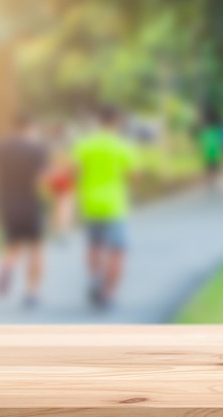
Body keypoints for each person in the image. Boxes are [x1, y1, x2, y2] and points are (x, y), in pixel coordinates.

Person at [73, 107, 138, 310]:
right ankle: (109, 294)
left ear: (98, 121)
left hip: (90, 203)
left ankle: (95, 278)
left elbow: (75, 172)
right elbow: (134, 175)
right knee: (117, 251)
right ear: (117, 122)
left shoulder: (84, 144)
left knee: (94, 246)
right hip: (114, 204)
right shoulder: (122, 146)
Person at [0, 115, 49, 309]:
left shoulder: (0, 147)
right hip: (30, 202)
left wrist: (1, 183)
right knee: (36, 247)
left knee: (13, 242)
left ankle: (6, 268)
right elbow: (43, 179)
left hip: (6, 202)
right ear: (30, 127)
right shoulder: (36, 148)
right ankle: (32, 293)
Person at [45, 126, 76, 243]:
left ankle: (55, 228)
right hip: (65, 178)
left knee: (55, 204)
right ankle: (62, 231)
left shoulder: (49, 147)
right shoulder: (67, 147)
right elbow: (72, 164)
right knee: (65, 205)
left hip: (52, 178)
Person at [196, 109, 223, 191]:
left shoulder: (205, 131)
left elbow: (202, 142)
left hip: (208, 152)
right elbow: (219, 142)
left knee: (209, 166)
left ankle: (210, 180)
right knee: (214, 167)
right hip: (214, 152)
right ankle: (213, 180)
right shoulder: (216, 131)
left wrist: (201, 150)